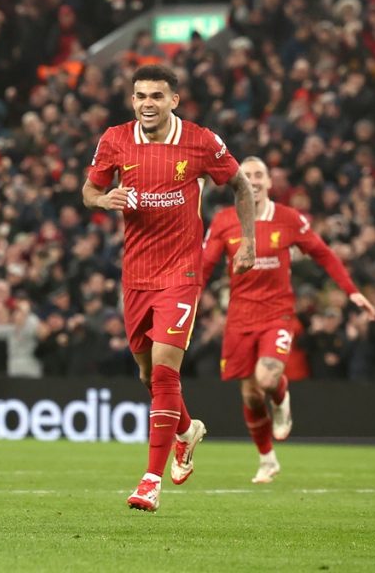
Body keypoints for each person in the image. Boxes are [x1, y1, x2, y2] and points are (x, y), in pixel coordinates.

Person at [82, 64, 256, 512]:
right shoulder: (115, 140)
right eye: (140, 96)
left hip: (181, 273)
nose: (146, 104)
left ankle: (149, 481)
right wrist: (104, 199)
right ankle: (185, 430)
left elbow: (240, 185)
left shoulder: (200, 141)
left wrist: (248, 241)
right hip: (135, 274)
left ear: (174, 100)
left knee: (163, 372)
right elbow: (88, 189)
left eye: (156, 96)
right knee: (147, 374)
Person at [201, 156, 375, 483]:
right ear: (235, 180)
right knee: (251, 395)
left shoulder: (288, 219)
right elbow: (205, 265)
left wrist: (350, 291)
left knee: (267, 379)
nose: (251, 180)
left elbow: (322, 252)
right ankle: (267, 459)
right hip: (239, 317)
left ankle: (281, 398)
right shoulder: (224, 221)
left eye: (258, 175)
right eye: (245, 174)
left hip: (276, 313)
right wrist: (187, 296)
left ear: (269, 182)